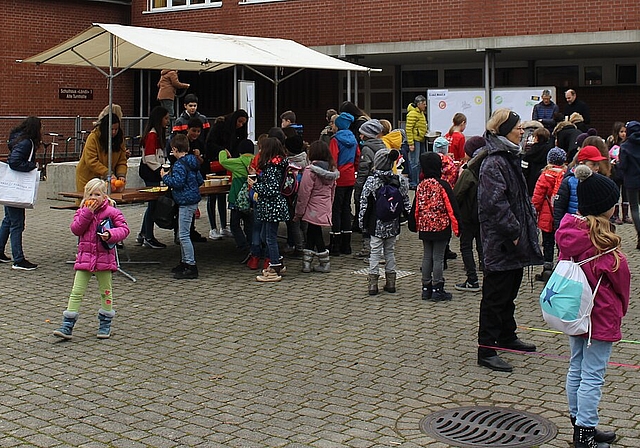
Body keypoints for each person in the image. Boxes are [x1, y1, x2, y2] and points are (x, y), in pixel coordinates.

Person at [556, 165, 629, 448]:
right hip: (600, 316)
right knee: (593, 375)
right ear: (606, 208)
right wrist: (621, 309)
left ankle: (580, 423)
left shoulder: (570, 231)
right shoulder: (605, 243)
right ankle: (585, 433)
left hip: (577, 311)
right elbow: (622, 284)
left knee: (576, 366)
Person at [477, 109, 543, 372]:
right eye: (518, 128)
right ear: (504, 129)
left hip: (514, 240)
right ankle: (486, 349)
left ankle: (506, 336)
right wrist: (515, 232)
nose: (522, 132)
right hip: (502, 242)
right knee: (495, 296)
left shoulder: (510, 156)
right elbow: (494, 204)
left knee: (509, 292)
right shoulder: (494, 162)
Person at [53, 178, 130, 340]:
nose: (93, 198)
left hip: (104, 259)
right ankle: (67, 325)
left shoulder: (112, 212)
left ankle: (105, 323)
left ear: (104, 196)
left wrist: (110, 235)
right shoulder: (82, 211)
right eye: (90, 194)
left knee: (106, 292)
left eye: (97, 194)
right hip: (85, 258)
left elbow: (124, 229)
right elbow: (76, 229)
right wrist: (87, 213)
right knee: (76, 292)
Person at [359, 148, 410, 295]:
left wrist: (362, 223)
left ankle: (373, 284)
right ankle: (391, 282)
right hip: (392, 222)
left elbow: (364, 203)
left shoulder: (372, 180)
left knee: (375, 252)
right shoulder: (399, 180)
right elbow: (405, 201)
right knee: (390, 251)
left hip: (376, 223)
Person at [414, 152, 460, 301]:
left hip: (425, 226)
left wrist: (414, 223)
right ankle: (437, 288)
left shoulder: (421, 185)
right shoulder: (442, 185)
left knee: (427, 256)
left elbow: (416, 207)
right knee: (438, 257)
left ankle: (425, 287)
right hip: (441, 226)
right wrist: (458, 226)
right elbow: (452, 207)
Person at [0, 117, 41, 270]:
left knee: (8, 220)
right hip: (17, 189)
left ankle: (0, 251)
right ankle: (19, 259)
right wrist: (31, 166)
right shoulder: (27, 142)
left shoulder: (17, 139)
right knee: (17, 223)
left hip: (9, 188)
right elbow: (15, 162)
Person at [161, 134, 204, 280]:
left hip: (185, 202)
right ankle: (184, 262)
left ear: (174, 149)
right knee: (183, 233)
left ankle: (191, 265)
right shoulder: (193, 162)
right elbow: (200, 180)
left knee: (184, 235)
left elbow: (177, 183)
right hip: (193, 201)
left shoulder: (179, 164)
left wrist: (165, 177)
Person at [248, 137, 290, 282]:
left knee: (270, 237)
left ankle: (275, 268)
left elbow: (271, 189)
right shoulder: (276, 165)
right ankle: (278, 260)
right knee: (265, 235)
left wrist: (255, 184)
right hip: (271, 206)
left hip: (272, 206)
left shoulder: (272, 167)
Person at [295, 140, 339, 273]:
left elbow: (304, 192)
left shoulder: (310, 171)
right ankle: (308, 263)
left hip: (311, 206)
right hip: (324, 206)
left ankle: (322, 262)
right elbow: (332, 192)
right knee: (313, 231)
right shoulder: (332, 171)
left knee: (314, 232)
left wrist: (299, 212)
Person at [453, 136, 487, 292]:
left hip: (468, 216)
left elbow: (457, 194)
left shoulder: (469, 171)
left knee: (466, 246)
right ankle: (488, 275)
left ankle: (472, 279)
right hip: (484, 215)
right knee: (482, 245)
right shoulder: (489, 167)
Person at [531, 147, 567, 281]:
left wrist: (535, 211)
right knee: (561, 242)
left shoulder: (545, 175)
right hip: (561, 215)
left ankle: (547, 268)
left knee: (547, 242)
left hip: (547, 214)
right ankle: (561, 268)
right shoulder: (566, 175)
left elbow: (538, 196)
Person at [137, 106, 170, 249]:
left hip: (155, 170)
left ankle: (144, 233)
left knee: (153, 203)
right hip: (151, 171)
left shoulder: (157, 134)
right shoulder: (152, 135)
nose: (168, 121)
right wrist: (161, 169)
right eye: (166, 118)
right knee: (153, 204)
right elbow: (150, 158)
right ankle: (148, 236)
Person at [75, 113, 128, 203]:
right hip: (88, 176)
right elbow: (91, 161)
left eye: (116, 129)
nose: (114, 132)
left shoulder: (119, 139)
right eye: (111, 129)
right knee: (89, 203)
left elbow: (122, 160)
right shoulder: (93, 137)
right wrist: (108, 173)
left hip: (108, 180)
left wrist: (121, 174)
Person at [352, 119, 386, 257]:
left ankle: (368, 249)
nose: (360, 136)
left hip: (368, 187)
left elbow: (363, 170)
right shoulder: (383, 145)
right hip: (380, 187)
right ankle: (379, 249)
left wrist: (358, 189)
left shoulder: (366, 148)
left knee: (366, 218)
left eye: (362, 134)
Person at [553, 145, 607, 231]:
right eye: (593, 164)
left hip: (592, 228)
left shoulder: (598, 181)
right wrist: (559, 228)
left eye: (598, 164)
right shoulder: (569, 181)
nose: (597, 168)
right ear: (582, 164)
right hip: (572, 227)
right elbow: (559, 207)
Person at [328, 112, 360, 257]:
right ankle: (346, 245)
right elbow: (358, 158)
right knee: (346, 208)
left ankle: (335, 244)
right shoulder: (353, 139)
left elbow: (332, 159)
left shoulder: (335, 140)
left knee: (336, 209)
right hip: (350, 177)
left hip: (338, 177)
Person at [617, 120, 640, 248]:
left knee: (635, 208)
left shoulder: (625, 147)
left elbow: (623, 166)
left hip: (631, 181)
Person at [606, 121, 628, 225]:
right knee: (616, 193)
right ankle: (615, 215)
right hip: (615, 171)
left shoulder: (628, 144)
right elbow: (607, 156)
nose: (623, 134)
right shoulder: (612, 143)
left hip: (625, 172)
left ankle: (626, 214)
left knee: (625, 193)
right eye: (621, 132)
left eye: (625, 131)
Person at [522, 127, 554, 196]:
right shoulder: (550, 150)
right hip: (546, 180)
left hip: (531, 181)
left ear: (536, 138)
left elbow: (524, 169)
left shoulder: (529, 153)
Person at [405, 95, 428, 189]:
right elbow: (408, 129)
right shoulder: (412, 114)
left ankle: (420, 180)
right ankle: (414, 182)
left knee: (422, 160)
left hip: (421, 139)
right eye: (424, 104)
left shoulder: (420, 113)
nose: (425, 106)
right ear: (419, 104)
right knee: (415, 162)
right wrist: (411, 143)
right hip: (415, 140)